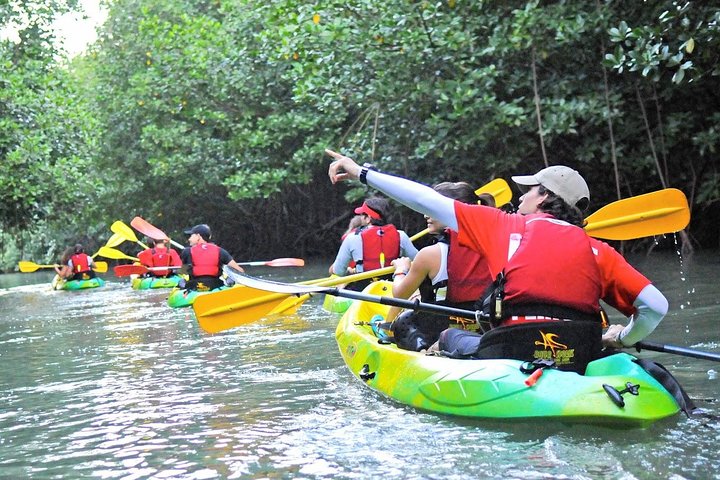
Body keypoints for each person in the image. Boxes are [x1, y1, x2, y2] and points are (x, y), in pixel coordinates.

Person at [326, 149, 668, 373]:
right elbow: (655, 305)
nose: (522, 196)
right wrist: (621, 338)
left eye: (530, 189)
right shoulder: (598, 250)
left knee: (448, 337)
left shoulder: (503, 226)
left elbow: (424, 198)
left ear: (545, 197)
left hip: (512, 349)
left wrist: (361, 172)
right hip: (580, 351)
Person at [386, 183, 496, 351]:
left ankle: (423, 351)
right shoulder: (497, 245)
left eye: (433, 209)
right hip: (486, 329)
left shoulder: (430, 254)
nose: (425, 215)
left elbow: (399, 295)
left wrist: (401, 269)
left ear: (450, 212)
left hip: (440, 331)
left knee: (405, 320)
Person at [329, 196, 419, 290]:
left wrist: (349, 271)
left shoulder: (352, 238)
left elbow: (339, 271)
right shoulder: (401, 236)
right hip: (393, 287)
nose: (361, 217)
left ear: (368, 218)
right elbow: (417, 262)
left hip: (363, 290)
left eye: (362, 215)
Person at [180, 224, 245, 291]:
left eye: (191, 236)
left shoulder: (187, 251)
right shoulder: (220, 251)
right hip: (216, 286)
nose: (189, 239)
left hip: (194, 287)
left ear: (198, 236)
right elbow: (239, 270)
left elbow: (182, 272)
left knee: (181, 281)